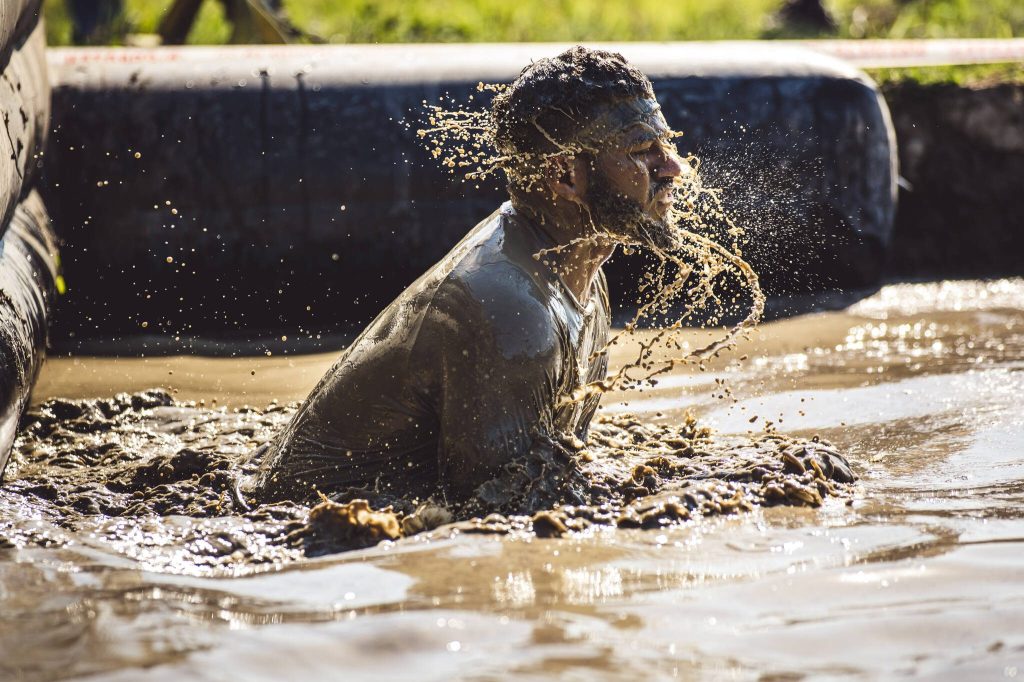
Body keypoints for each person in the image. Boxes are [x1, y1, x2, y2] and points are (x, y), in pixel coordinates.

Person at [245, 46, 686, 505]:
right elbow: (495, 523)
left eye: (666, 145)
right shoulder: (509, 312)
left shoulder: (582, 277)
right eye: (643, 150)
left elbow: (562, 466)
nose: (672, 168)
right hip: (291, 537)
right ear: (565, 176)